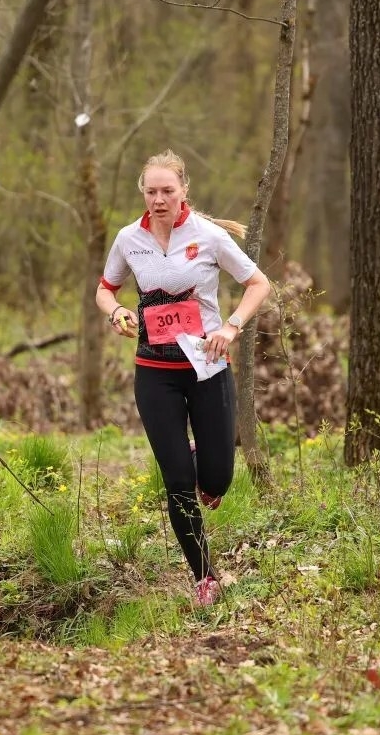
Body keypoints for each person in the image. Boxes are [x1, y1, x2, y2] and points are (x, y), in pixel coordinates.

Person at [95, 149, 271, 607]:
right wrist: (116, 311)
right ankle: (205, 576)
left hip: (207, 368)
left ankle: (201, 462)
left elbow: (259, 284)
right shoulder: (128, 239)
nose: (159, 199)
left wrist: (230, 327)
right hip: (155, 373)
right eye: (151, 191)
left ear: (183, 191)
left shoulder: (208, 236)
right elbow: (105, 288)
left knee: (216, 481)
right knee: (177, 482)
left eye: (167, 191)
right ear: (143, 193)